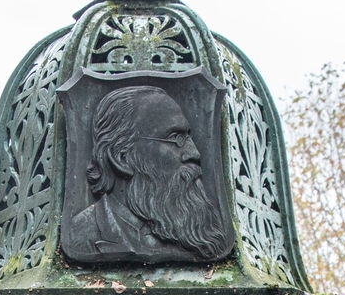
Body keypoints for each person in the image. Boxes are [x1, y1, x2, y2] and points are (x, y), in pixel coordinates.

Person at [65, 85, 229, 265]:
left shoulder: (201, 232)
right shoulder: (80, 233)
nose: (194, 153)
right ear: (121, 158)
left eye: (188, 138)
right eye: (175, 138)